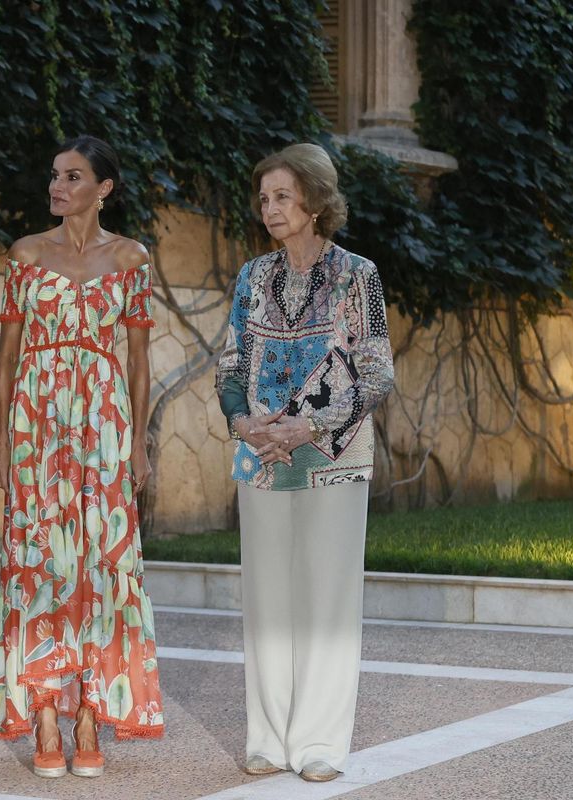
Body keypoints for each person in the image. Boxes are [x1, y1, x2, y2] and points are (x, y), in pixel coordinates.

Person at [0, 135, 165, 778]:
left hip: (103, 423)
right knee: (39, 562)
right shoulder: (26, 253)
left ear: (103, 188)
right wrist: (1, 441)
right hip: (37, 422)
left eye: (72, 176)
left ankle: (89, 712)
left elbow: (140, 363)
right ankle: (41, 717)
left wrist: (139, 441)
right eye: (54, 175)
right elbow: (7, 361)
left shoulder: (132, 258)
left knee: (100, 566)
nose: (57, 186)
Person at [215, 143, 394, 783]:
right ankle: (267, 737)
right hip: (260, 454)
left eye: (282, 196)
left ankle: (318, 742)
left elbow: (377, 373)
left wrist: (310, 424)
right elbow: (231, 364)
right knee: (266, 600)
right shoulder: (252, 278)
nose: (270, 209)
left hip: (333, 456)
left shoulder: (358, 276)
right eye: (264, 198)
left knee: (327, 599)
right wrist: (242, 421)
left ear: (316, 202)